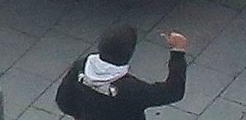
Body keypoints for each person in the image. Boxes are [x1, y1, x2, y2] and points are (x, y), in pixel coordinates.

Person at [55, 25, 188, 119]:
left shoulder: (81, 66)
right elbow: (173, 92)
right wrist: (177, 52)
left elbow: (63, 101)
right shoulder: (132, 90)